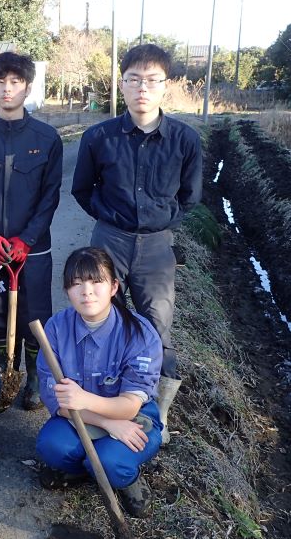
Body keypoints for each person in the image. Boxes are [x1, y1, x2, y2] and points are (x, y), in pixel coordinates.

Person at [71, 43, 203, 444]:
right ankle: (100, 407)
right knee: (100, 318)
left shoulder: (184, 139)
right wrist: (112, 219)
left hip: (158, 247)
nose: (141, 89)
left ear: (166, 86)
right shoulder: (98, 137)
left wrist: (160, 223)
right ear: (122, 85)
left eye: (151, 81)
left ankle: (156, 413)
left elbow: (190, 197)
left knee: (156, 326)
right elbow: (81, 190)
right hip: (109, 239)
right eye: (133, 80)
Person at [0, 52, 62, 410]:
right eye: (1, 82)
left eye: (16, 82)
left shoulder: (47, 138)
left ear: (28, 87)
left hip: (33, 251)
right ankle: (7, 375)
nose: (8, 89)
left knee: (35, 315)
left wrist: (27, 239)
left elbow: (50, 196)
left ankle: (34, 380)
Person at [35, 247, 163, 516]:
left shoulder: (140, 333)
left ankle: (126, 480)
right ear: (67, 290)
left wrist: (87, 400)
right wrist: (106, 422)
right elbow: (55, 400)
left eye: (97, 281)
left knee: (110, 462)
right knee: (51, 446)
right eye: (76, 284)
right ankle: (85, 470)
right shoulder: (56, 328)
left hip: (132, 415)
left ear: (114, 286)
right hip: (79, 414)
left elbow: (129, 406)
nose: (86, 291)